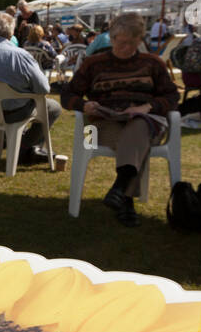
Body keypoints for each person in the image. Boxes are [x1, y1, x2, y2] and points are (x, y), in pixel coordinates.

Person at [61, 12, 179, 227]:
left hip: (144, 121)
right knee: (134, 141)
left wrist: (148, 106)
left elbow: (172, 95)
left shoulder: (152, 63)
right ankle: (124, 196)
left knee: (139, 127)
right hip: (100, 125)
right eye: (121, 42)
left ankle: (120, 190)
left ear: (140, 40)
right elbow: (67, 95)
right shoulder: (93, 64)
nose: (126, 48)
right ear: (112, 38)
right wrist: (84, 105)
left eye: (132, 43)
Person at [0, 12, 61, 165]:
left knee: (33, 104)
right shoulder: (19, 55)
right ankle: (26, 147)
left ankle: (22, 145)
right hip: (13, 112)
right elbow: (43, 88)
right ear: (11, 32)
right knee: (53, 107)